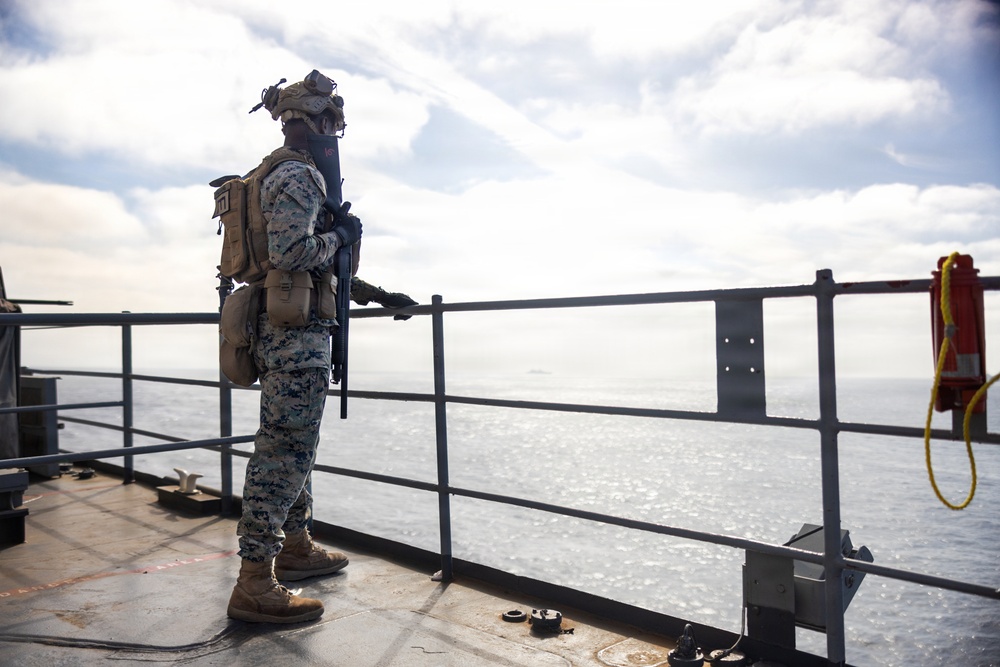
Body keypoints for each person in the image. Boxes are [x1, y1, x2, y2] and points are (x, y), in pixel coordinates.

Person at [227, 71, 413, 624]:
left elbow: (299, 266)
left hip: (276, 329)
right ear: (315, 122)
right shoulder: (301, 176)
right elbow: (293, 252)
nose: (335, 132)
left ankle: (296, 545)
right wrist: (341, 236)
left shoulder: (268, 172)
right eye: (332, 122)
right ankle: (254, 581)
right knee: (283, 454)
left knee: (294, 447)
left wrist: (374, 293)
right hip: (296, 339)